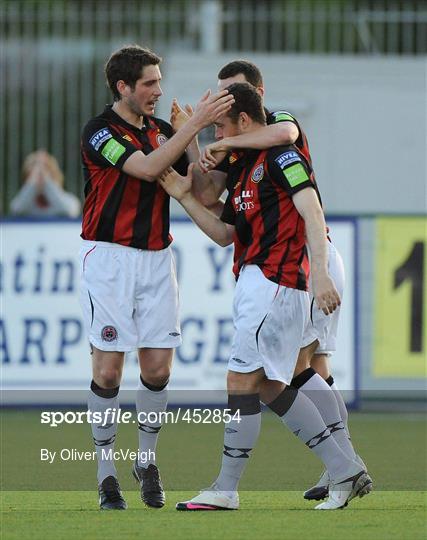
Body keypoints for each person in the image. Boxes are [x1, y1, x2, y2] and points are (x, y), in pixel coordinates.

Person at [160, 83, 371, 511]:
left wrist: (321, 276)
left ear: (242, 118)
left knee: (243, 382)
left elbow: (312, 210)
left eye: (220, 125)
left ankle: (227, 488)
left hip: (275, 283)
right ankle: (345, 468)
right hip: (260, 282)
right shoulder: (242, 166)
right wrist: (183, 196)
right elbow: (225, 233)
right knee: (272, 384)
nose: (218, 136)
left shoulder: (280, 154)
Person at [79, 44, 234, 510]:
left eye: (158, 81)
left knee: (158, 369)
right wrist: (193, 124)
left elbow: (204, 195)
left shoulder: (165, 130)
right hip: (108, 259)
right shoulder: (99, 131)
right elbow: (146, 168)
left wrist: (195, 141)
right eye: (149, 83)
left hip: (155, 258)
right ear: (123, 87)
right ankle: (106, 473)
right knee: (108, 369)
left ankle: (146, 461)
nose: (158, 90)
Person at [10, 149, 81, 217]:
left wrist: (48, 182)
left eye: (45, 175)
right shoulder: (27, 206)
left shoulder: (69, 201)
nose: (40, 180)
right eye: (33, 177)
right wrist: (32, 183)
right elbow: (16, 209)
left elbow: (70, 210)